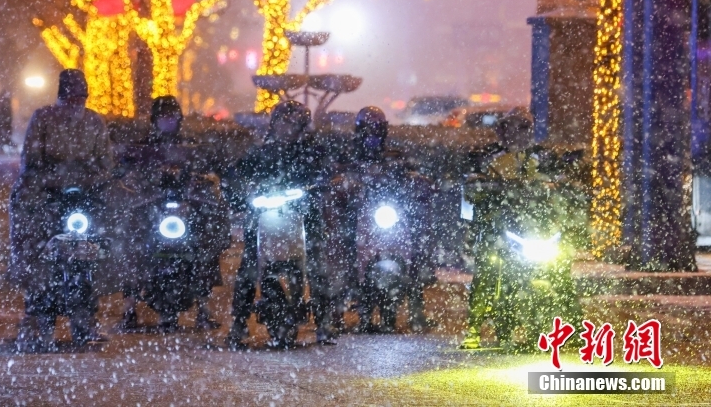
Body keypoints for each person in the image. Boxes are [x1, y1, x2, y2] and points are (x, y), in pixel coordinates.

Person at [459, 111, 583, 349]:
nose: (518, 133)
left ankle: (576, 327)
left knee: (560, 269)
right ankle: (473, 328)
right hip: (499, 224)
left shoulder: (542, 155)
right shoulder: (487, 155)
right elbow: (471, 183)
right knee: (486, 267)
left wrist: (565, 184)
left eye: (523, 127)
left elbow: (563, 179)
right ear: (502, 131)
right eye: (512, 128)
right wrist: (481, 184)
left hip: (536, 225)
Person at [8, 70, 114, 351]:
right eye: (70, 97)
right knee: (38, 253)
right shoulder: (42, 119)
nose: (75, 104)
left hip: (83, 196)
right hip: (46, 196)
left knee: (94, 250)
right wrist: (50, 180)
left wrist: (91, 180)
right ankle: (36, 318)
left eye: (81, 98)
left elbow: (105, 162)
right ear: (61, 96)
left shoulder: (94, 122)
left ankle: (87, 319)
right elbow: (31, 160)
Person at [223, 100, 336, 349]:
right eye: (285, 121)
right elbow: (234, 176)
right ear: (274, 123)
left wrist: (318, 188)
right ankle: (239, 323)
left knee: (316, 263)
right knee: (249, 264)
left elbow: (326, 175)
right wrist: (241, 194)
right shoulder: (260, 152)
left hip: (302, 217)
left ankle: (324, 323)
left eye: (295, 123)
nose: (289, 127)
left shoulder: (312, 152)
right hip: (265, 216)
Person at [116, 96, 229, 332]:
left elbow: (207, 171)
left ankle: (203, 308)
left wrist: (206, 185)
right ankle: (129, 308)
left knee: (206, 244)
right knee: (131, 245)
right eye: (163, 116)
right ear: (154, 119)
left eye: (172, 116)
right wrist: (134, 186)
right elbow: (126, 175)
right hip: (151, 210)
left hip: (187, 210)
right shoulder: (141, 148)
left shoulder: (192, 146)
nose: (168, 121)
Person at [333, 107, 436, 334]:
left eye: (377, 128)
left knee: (416, 248)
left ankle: (417, 311)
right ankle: (336, 311)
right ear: (358, 130)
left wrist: (419, 180)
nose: (372, 134)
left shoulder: (395, 156)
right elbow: (335, 179)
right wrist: (341, 183)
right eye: (367, 128)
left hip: (389, 212)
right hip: (359, 214)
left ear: (384, 130)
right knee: (341, 248)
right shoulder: (348, 157)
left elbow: (413, 174)